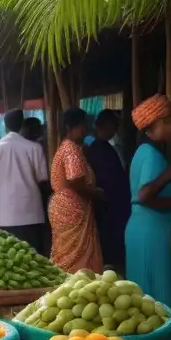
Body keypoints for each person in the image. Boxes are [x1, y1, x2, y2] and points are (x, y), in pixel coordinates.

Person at [124, 96, 171, 340]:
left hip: (142, 230)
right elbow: (144, 196)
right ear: (154, 125)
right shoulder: (151, 154)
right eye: (168, 121)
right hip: (154, 232)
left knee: (146, 298)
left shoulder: (143, 152)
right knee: (163, 298)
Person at [0, 109, 49, 254]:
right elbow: (43, 181)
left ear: (5, 126)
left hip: (5, 215)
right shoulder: (35, 148)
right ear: (23, 125)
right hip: (32, 214)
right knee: (34, 260)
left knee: (11, 261)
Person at [49, 108, 104, 273]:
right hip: (71, 210)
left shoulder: (69, 148)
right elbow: (75, 181)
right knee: (74, 258)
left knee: (66, 254)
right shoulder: (70, 149)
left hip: (65, 207)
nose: (85, 130)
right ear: (69, 127)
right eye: (82, 126)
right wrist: (95, 193)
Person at [86, 109, 132, 270]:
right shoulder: (96, 150)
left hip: (116, 206)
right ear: (105, 126)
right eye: (113, 127)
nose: (114, 131)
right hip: (108, 208)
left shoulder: (106, 147)